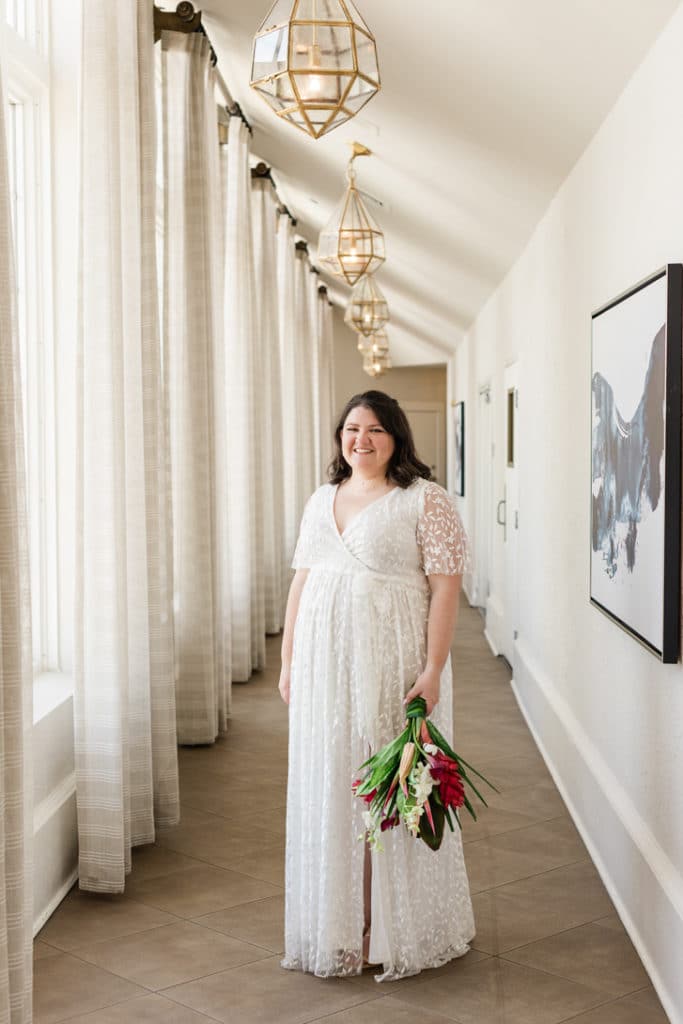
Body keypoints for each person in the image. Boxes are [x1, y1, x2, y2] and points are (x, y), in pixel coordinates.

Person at [278, 390, 474, 982]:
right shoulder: (321, 499)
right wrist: (289, 660)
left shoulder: (424, 501)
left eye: (374, 430)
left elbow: (444, 588)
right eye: (351, 429)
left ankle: (390, 927)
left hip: (391, 662)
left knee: (389, 790)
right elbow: (303, 582)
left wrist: (433, 668)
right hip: (325, 667)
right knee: (333, 783)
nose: (360, 439)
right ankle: (341, 923)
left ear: (396, 437)